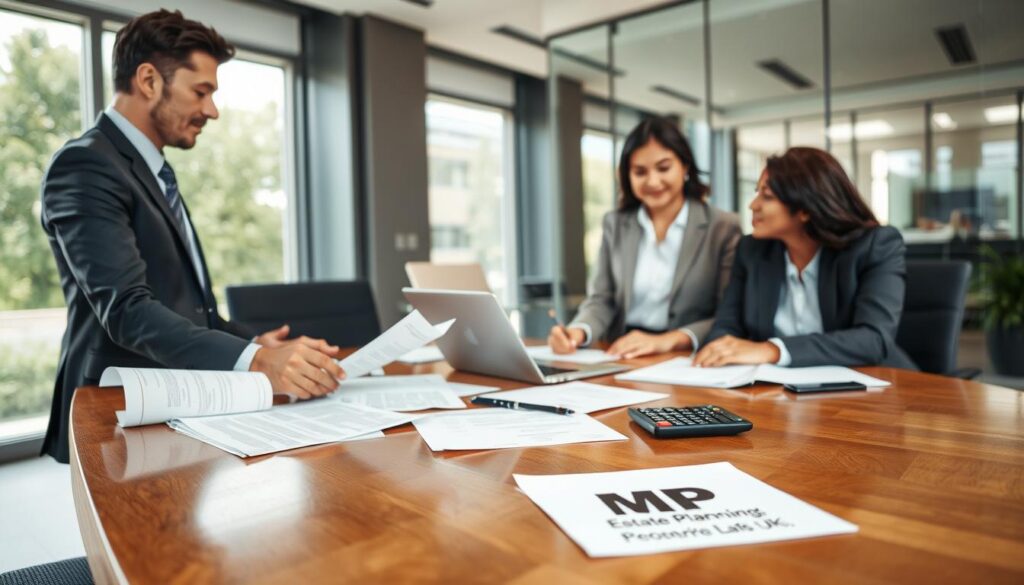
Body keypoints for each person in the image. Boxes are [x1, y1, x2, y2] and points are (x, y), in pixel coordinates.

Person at [39, 10, 344, 463]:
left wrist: (251, 344)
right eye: (201, 91)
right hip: (121, 411)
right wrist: (255, 363)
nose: (212, 110)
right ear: (148, 81)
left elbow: (187, 307)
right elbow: (127, 310)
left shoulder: (151, 169)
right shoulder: (86, 165)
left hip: (183, 401)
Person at [693, 147, 916, 369]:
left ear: (805, 209)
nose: (753, 205)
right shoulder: (751, 250)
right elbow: (726, 326)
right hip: (776, 390)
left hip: (873, 385)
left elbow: (873, 340)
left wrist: (773, 350)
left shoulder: (875, 245)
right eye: (756, 192)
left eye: (767, 196)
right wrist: (721, 351)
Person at [548, 117, 741, 358]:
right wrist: (578, 331)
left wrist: (668, 341)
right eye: (640, 172)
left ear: (685, 167)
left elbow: (729, 314)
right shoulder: (615, 223)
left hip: (686, 354)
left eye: (663, 168)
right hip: (622, 352)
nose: (652, 181)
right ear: (627, 176)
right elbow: (602, 298)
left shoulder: (722, 227)